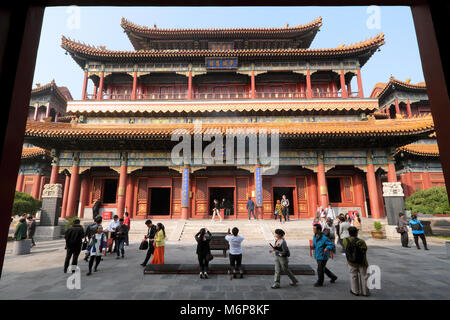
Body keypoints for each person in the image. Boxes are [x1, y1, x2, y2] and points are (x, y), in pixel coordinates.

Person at [343, 226, 370, 296]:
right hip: (362, 262)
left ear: (349, 233)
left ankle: (355, 291)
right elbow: (364, 250)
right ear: (356, 233)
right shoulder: (361, 241)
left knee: (353, 276)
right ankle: (365, 292)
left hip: (351, 262)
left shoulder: (345, 240)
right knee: (364, 276)